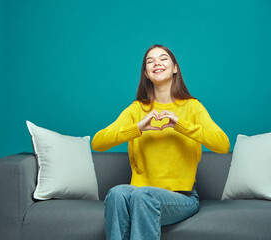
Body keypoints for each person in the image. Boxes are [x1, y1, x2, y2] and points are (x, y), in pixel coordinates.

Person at [91, 44, 230, 240]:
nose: (156, 62)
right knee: (116, 193)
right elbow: (97, 143)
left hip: (182, 197)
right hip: (140, 193)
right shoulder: (137, 109)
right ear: (146, 74)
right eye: (150, 61)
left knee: (142, 196)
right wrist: (137, 128)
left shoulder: (192, 107)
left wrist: (180, 124)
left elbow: (223, 144)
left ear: (175, 68)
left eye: (163, 58)